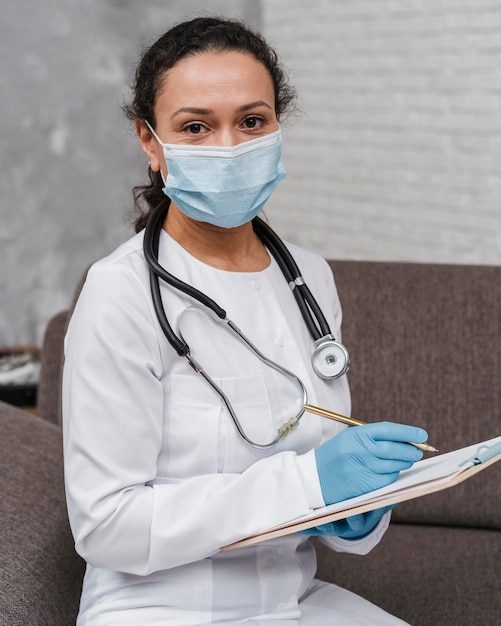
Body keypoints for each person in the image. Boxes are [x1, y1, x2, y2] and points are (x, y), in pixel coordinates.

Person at [62, 16, 428, 625]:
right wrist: (308, 485)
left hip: (294, 600)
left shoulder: (309, 278)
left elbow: (321, 467)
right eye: (196, 127)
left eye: (251, 121)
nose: (229, 147)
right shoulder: (119, 292)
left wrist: (355, 511)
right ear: (150, 142)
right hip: (157, 606)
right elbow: (107, 527)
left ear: (278, 127)